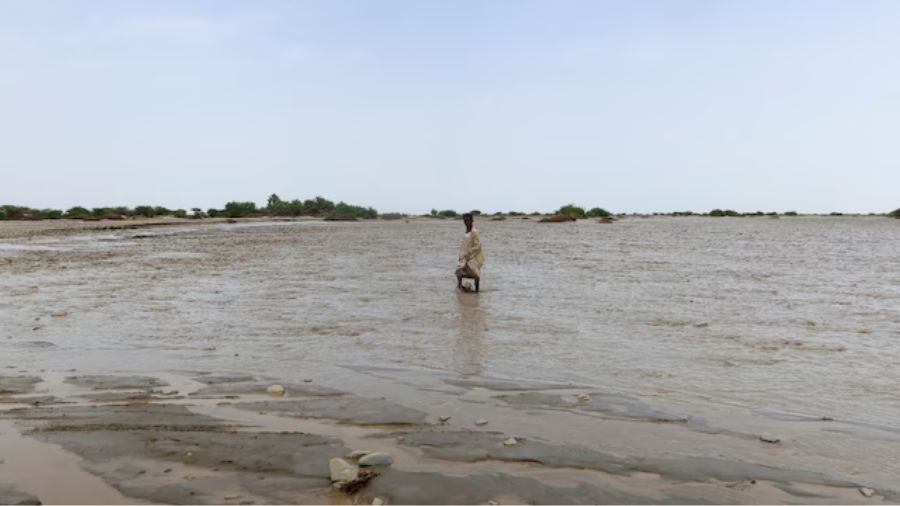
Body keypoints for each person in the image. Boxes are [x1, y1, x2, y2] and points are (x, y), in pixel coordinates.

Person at [456, 213, 484, 293]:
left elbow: (478, 245)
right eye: (465, 221)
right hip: (465, 256)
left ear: (472, 221)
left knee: (475, 274)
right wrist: (461, 255)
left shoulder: (474, 231)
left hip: (473, 256)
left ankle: (476, 291)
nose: (466, 222)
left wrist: (470, 253)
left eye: (468, 220)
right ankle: (460, 289)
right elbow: (465, 244)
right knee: (459, 272)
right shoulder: (467, 231)